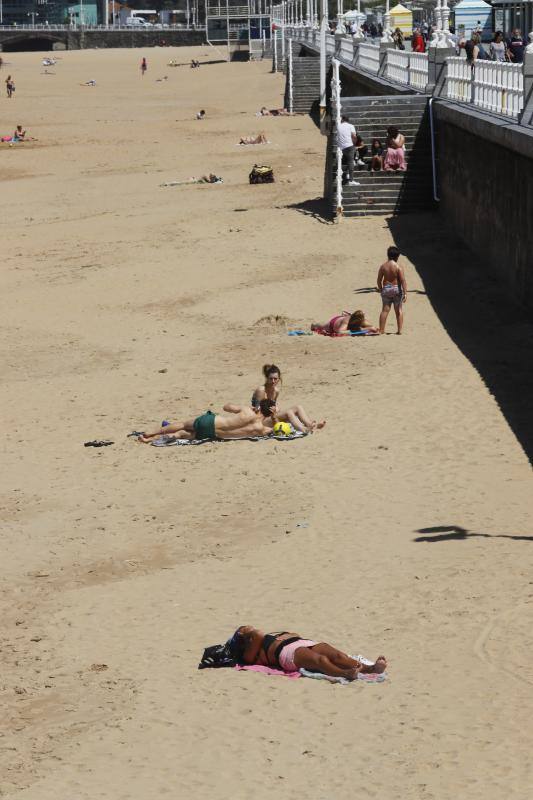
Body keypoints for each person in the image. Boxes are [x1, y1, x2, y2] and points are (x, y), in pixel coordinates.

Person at [227, 626, 387, 680]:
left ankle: (369, 668)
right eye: (244, 630)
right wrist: (243, 634)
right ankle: (345, 673)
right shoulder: (250, 653)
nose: (248, 628)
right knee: (320, 660)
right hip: (286, 652)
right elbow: (258, 634)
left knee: (340, 656)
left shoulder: (257, 641)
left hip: (302, 642)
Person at [139, 403, 275, 443]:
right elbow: (273, 429)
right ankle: (151, 440)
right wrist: (274, 417)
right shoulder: (260, 429)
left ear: (259, 407)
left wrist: (248, 407)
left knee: (182, 424)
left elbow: (226, 407)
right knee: (181, 434)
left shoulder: (247, 410)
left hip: (211, 421)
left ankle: (151, 433)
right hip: (212, 434)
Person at [251, 365, 326, 433]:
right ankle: (304, 429)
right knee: (288, 412)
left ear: (279, 379)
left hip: (272, 417)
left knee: (298, 407)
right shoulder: (261, 390)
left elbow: (273, 407)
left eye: (275, 379)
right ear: (267, 378)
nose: (273, 381)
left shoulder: (276, 391)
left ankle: (310, 424)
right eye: (271, 379)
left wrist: (276, 411)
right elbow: (257, 413)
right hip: (261, 421)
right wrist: (274, 413)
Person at [377, 246, 407, 335]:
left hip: (386, 289)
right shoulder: (398, 267)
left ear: (388, 255)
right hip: (396, 289)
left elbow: (379, 280)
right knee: (398, 310)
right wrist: (405, 293)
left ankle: (382, 330)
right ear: (397, 256)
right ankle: (399, 331)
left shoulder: (383, 266)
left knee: (385, 310)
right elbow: (403, 281)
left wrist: (381, 289)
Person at [311, 310, 378, 336]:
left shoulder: (362, 321)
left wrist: (371, 328)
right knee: (317, 325)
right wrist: (363, 330)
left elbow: (373, 327)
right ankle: (313, 325)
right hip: (333, 324)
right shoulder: (347, 321)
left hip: (343, 320)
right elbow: (340, 332)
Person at [337, 114, 359, 186]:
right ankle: (351, 180)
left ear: (342, 119)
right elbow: (354, 136)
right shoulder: (351, 126)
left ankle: (347, 174)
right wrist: (354, 144)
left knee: (348, 161)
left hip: (342, 147)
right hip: (349, 145)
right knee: (351, 162)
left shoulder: (338, 126)